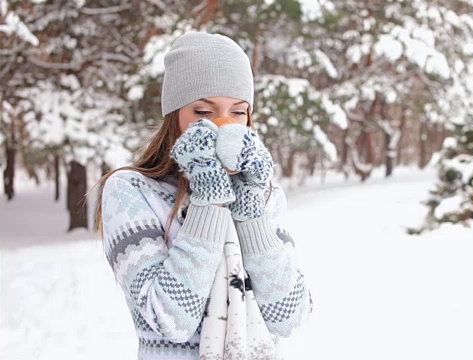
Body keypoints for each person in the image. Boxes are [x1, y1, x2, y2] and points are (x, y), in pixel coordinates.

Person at [93, 32, 312, 360]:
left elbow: (288, 317)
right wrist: (209, 199)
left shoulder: (264, 194)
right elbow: (170, 321)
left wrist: (250, 211)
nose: (223, 125)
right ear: (175, 116)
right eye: (203, 112)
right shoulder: (130, 190)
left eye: (238, 112)